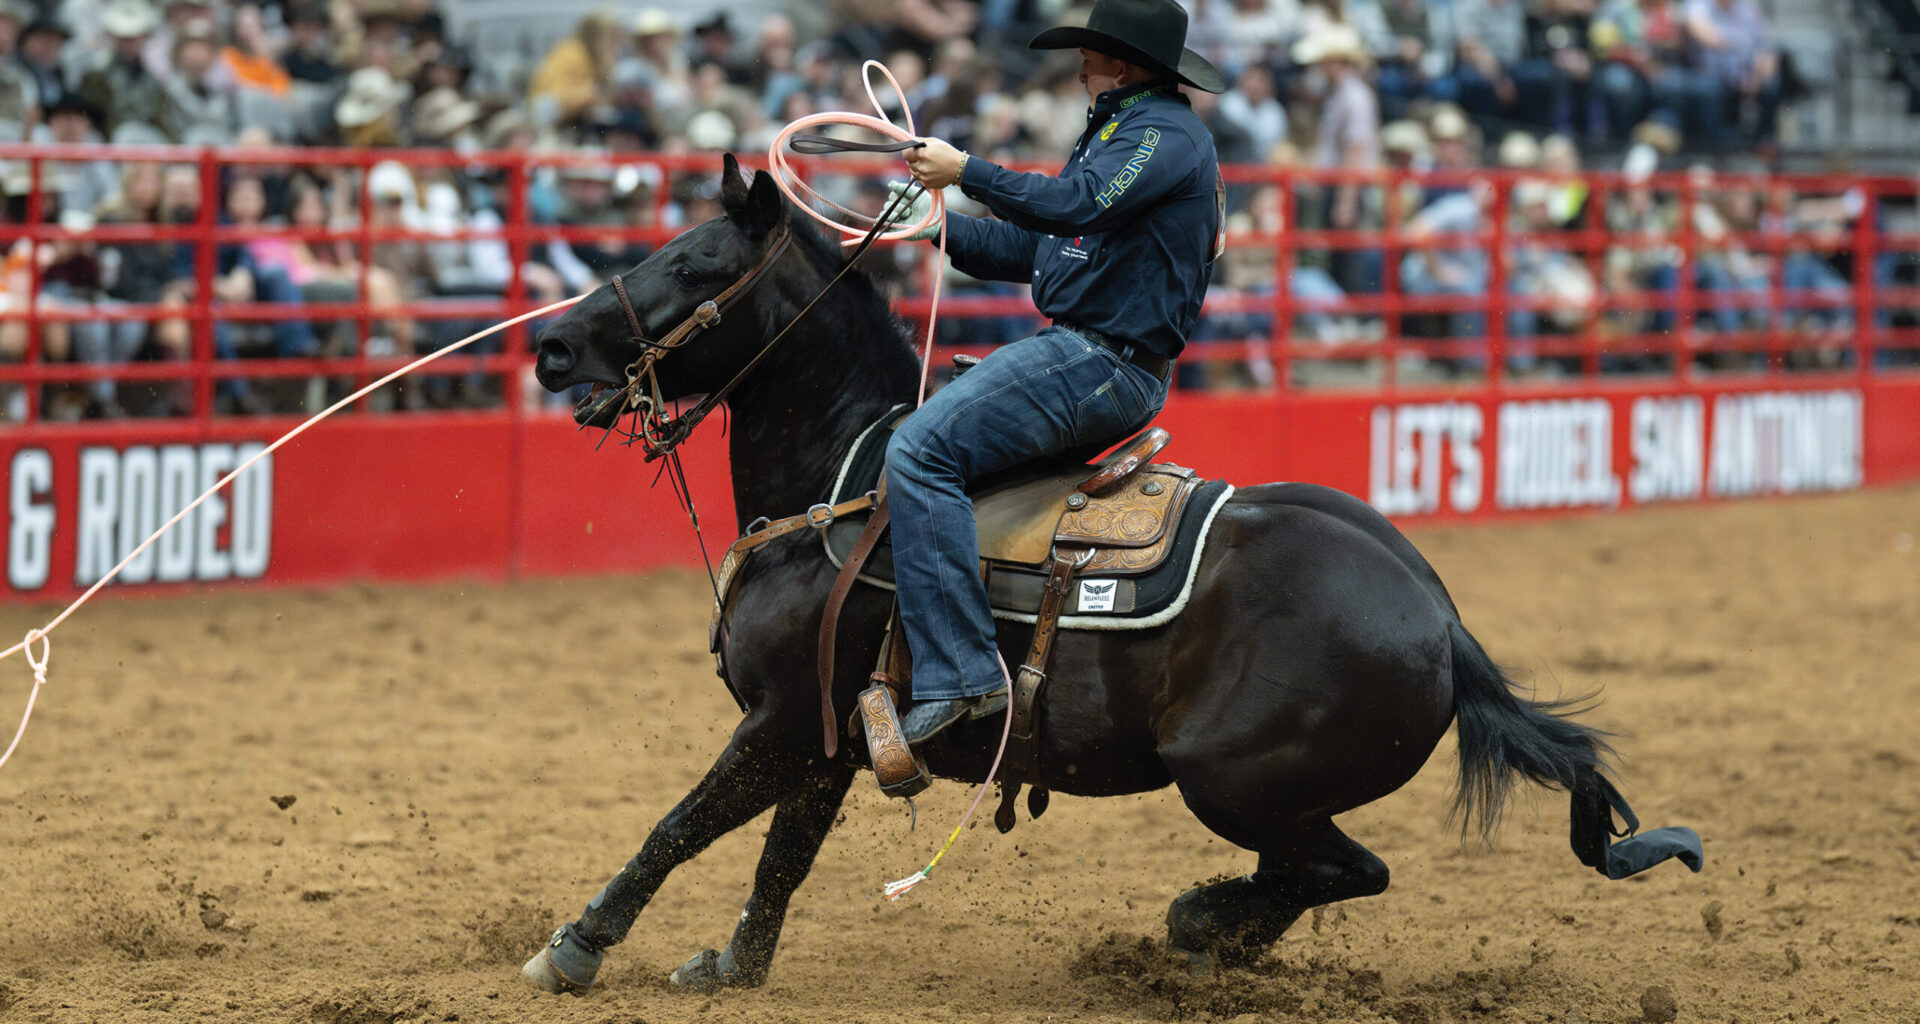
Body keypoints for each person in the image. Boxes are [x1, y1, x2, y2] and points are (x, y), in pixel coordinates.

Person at [885, 0, 1224, 745]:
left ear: (1123, 67)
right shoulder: (1127, 133)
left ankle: (963, 675)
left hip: (1102, 358)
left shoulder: (1163, 136)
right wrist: (940, 226)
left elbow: (1073, 204)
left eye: (1091, 55)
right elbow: (1040, 249)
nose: (1079, 67)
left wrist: (967, 170)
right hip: (1095, 353)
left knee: (918, 451)